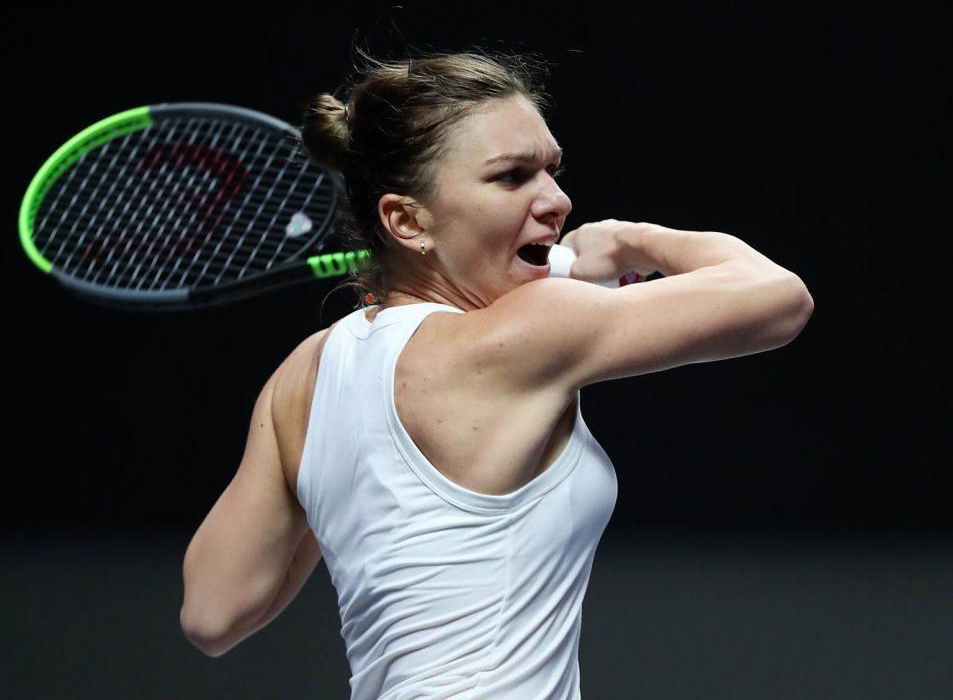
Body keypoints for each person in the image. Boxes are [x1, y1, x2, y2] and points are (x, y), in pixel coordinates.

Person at [179, 48, 814, 698]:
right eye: (511, 177)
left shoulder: (303, 377)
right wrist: (631, 239)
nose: (557, 201)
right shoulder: (536, 327)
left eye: (551, 171)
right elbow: (778, 297)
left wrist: (341, 482)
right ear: (406, 220)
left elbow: (213, 613)